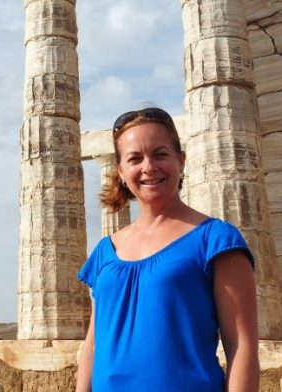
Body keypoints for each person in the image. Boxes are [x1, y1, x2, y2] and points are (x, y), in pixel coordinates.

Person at [74, 107, 259, 392]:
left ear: (180, 161)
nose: (149, 166)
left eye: (160, 154)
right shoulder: (105, 250)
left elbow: (241, 346)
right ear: (122, 172)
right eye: (135, 158)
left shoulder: (216, 240)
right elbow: (94, 345)